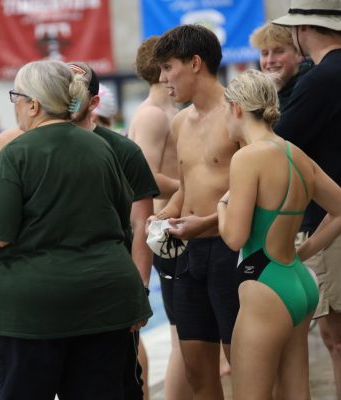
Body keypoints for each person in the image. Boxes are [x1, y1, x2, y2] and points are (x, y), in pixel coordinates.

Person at [0, 59, 152, 399]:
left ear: (33, 104)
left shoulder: (17, 153)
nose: (15, 106)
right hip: (104, 302)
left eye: (15, 97)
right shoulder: (102, 148)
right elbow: (123, 218)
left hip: (33, 311)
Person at [217, 68, 341, 399]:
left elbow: (234, 237)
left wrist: (221, 207)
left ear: (237, 108)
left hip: (265, 286)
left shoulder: (247, 158)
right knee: (297, 392)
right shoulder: (296, 154)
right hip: (296, 279)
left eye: (224, 110)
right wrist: (307, 251)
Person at [151, 25, 240, 400]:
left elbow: (257, 186)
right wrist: (164, 216)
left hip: (230, 251)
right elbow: (188, 186)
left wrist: (207, 222)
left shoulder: (237, 114)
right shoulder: (179, 122)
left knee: (245, 369)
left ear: (196, 63)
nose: (163, 78)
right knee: (197, 371)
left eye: (169, 67)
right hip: (188, 257)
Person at [69, 61, 160, 399]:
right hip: (62, 288)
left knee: (120, 382)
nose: (67, 102)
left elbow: (141, 225)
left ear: (94, 102)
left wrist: (139, 290)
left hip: (111, 288)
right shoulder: (35, 148)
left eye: (75, 96)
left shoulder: (123, 152)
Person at [272, 1, 341, 397]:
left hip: (331, 221)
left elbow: (276, 146)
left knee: (336, 339)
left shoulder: (320, 80)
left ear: (302, 29)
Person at [128, 36, 191, 400]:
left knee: (186, 333)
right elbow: (146, 177)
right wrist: (194, 184)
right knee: (181, 334)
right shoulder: (153, 114)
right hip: (159, 230)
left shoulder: (168, 111)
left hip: (170, 227)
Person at [249, 21, 311, 111]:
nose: (270, 60)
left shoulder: (309, 88)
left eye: (278, 51)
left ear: (298, 53)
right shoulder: (259, 94)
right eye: (265, 53)